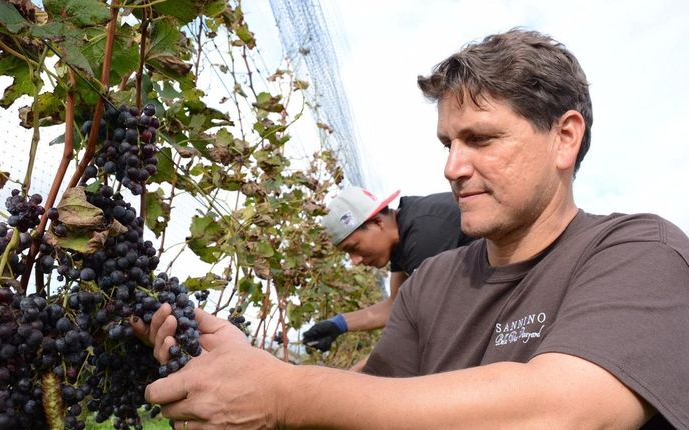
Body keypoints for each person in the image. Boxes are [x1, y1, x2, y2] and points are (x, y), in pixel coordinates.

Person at [136, 29, 689, 429]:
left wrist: (284, 394)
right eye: (448, 144)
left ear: (565, 137)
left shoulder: (638, 252)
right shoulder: (434, 280)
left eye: (482, 139)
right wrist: (246, 375)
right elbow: (373, 400)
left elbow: (567, 411)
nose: (453, 168)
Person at [302, 187, 473, 355]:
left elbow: (419, 327)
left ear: (378, 222)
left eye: (354, 247)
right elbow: (397, 303)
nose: (355, 261)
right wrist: (338, 324)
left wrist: (352, 377)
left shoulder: (424, 238)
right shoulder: (402, 231)